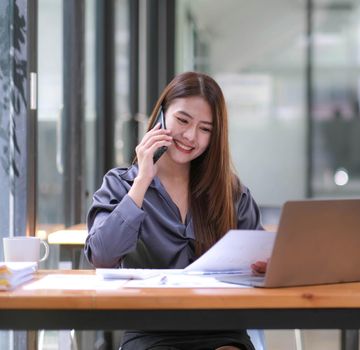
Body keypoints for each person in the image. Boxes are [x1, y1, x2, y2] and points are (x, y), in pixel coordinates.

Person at [84, 71, 266, 350]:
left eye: (205, 129)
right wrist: (142, 180)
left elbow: (261, 252)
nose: (191, 136)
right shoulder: (121, 184)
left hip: (221, 331)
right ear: (160, 117)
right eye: (183, 120)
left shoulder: (230, 192)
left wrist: (266, 265)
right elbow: (102, 255)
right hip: (151, 334)